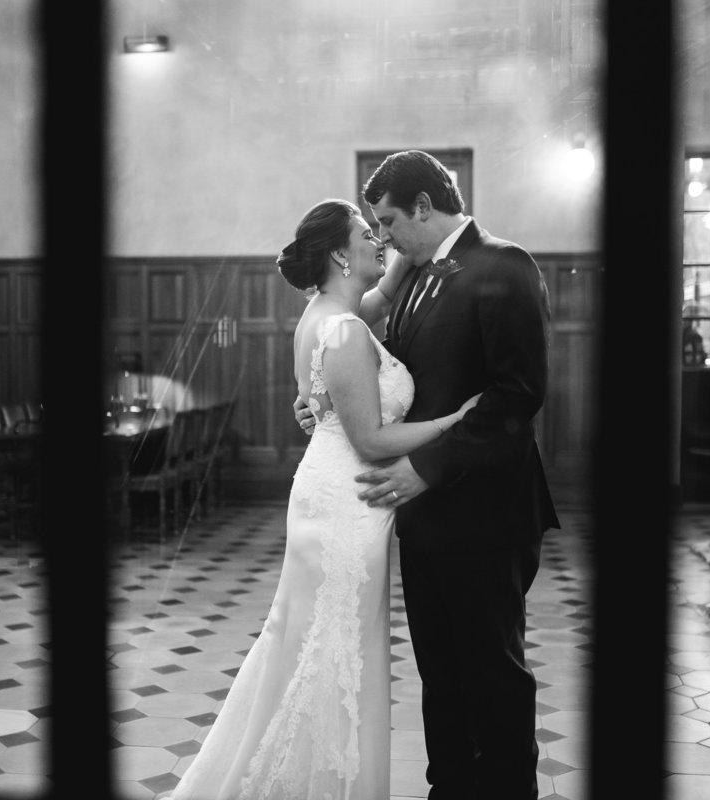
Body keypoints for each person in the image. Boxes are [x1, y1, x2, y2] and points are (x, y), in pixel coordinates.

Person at [169, 198, 480, 800]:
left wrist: (408, 246)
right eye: (369, 232)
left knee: (310, 641)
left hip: (327, 490)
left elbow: (375, 308)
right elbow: (370, 438)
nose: (379, 238)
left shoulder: (324, 313)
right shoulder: (343, 330)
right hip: (349, 502)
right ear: (341, 252)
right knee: (336, 647)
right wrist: (453, 422)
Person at [295, 150, 560, 799]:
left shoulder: (505, 265)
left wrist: (423, 469)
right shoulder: (411, 279)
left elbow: (516, 396)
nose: (382, 236)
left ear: (423, 206)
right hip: (424, 520)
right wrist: (321, 399)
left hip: (485, 512)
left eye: (388, 220)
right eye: (372, 228)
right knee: (441, 680)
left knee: (492, 676)